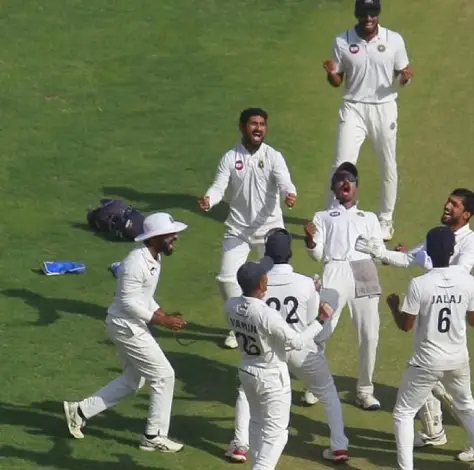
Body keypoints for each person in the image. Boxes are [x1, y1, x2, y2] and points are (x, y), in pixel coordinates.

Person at [357, 188, 474, 463]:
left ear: (466, 214)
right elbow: (412, 258)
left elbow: (443, 270)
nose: (447, 205)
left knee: (417, 401)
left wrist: (409, 294)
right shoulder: (437, 239)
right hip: (451, 338)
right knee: (450, 393)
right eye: (448, 200)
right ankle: (439, 433)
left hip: (435, 327)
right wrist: (382, 253)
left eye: (454, 204)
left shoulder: (471, 244)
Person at [62, 213, 188, 452]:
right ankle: (153, 436)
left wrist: (163, 313)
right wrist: (162, 321)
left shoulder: (154, 258)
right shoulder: (135, 263)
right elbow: (129, 302)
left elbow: (144, 298)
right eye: (171, 235)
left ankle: (79, 411)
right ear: (156, 237)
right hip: (125, 326)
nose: (176, 238)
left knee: (133, 380)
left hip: (130, 324)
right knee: (164, 376)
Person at [225, 229, 350, 464]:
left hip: (264, 351)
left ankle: (241, 445)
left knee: (246, 393)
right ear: (291, 252)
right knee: (327, 391)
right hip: (299, 347)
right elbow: (313, 320)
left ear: (267, 255)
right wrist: (320, 316)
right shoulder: (304, 284)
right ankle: (339, 445)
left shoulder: (242, 297)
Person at [387, 226, 474, 470]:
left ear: (428, 251)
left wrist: (394, 306)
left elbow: (406, 325)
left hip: (426, 360)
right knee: (467, 407)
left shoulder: (419, 284)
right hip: (458, 358)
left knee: (403, 413)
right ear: (452, 250)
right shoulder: (467, 281)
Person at [199, 107, 298, 350]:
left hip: (270, 231)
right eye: (253, 124)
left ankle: (274, 327)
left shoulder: (273, 156)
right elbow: (218, 186)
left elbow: (285, 180)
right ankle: (240, 325)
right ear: (243, 127)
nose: (258, 128)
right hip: (239, 229)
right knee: (225, 279)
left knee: (274, 280)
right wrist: (209, 200)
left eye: (262, 124)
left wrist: (289, 193)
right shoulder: (230, 158)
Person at [322, 0, 414, 241]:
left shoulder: (394, 40)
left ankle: (385, 221)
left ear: (378, 14)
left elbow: (403, 72)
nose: (369, 18)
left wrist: (405, 79)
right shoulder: (342, 40)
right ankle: (333, 216)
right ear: (357, 14)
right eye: (364, 13)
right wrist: (331, 74)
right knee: (342, 164)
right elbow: (337, 80)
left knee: (387, 164)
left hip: (384, 108)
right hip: (353, 107)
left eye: (373, 13)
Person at [304, 161, 384, 410]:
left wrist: (391, 254)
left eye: (351, 179)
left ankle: (364, 390)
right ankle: (314, 384)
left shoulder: (369, 217)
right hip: (335, 268)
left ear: (357, 187)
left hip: (364, 270)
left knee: (369, 334)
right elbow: (316, 254)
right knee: (321, 329)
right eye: (340, 179)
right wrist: (309, 238)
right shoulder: (323, 216)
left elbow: (379, 250)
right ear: (334, 187)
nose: (346, 182)